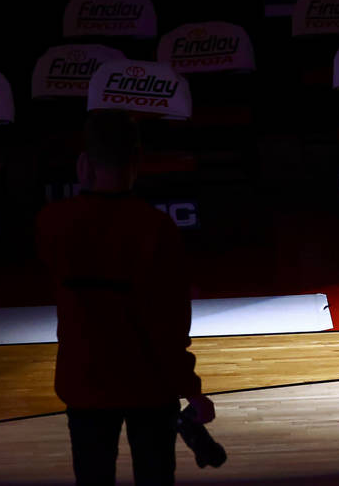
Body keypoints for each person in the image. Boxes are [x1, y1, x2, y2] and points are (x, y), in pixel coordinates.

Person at [36, 111, 215, 485]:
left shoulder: (53, 222)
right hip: (150, 386)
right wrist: (192, 391)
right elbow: (171, 324)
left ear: (84, 163)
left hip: (83, 382)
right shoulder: (157, 228)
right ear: (137, 161)